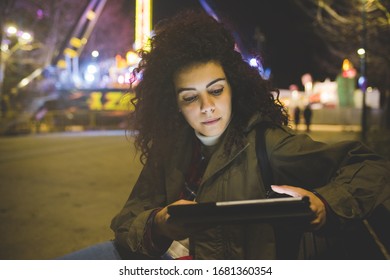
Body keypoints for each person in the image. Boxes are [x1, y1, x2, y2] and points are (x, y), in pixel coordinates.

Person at [60, 10, 390, 260]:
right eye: (190, 97)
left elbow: (370, 166)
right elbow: (125, 223)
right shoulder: (171, 152)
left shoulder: (268, 143)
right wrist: (157, 224)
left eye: (216, 90)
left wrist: (325, 204)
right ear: (173, 104)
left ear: (234, 88)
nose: (206, 106)